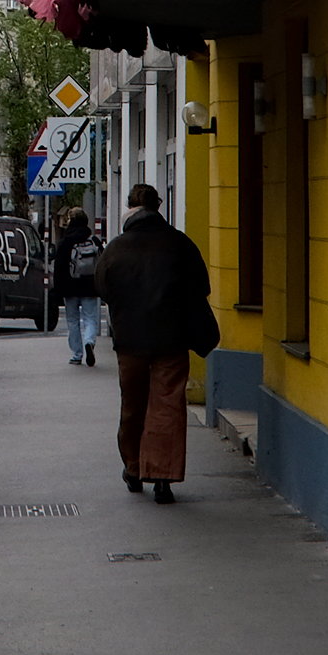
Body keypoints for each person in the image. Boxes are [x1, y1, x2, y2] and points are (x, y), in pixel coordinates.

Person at [95, 183, 218, 503]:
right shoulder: (180, 245)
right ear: (158, 206)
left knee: (132, 406)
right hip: (171, 340)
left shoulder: (116, 249)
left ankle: (134, 468)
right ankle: (163, 477)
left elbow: (103, 289)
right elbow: (201, 287)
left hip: (130, 343)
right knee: (167, 406)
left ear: (129, 208)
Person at [53, 207, 104, 367]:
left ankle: (77, 354)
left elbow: (59, 267)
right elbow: (102, 263)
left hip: (70, 287)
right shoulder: (94, 241)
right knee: (90, 318)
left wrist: (58, 289)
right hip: (90, 286)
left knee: (73, 320)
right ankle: (89, 341)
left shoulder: (65, 242)